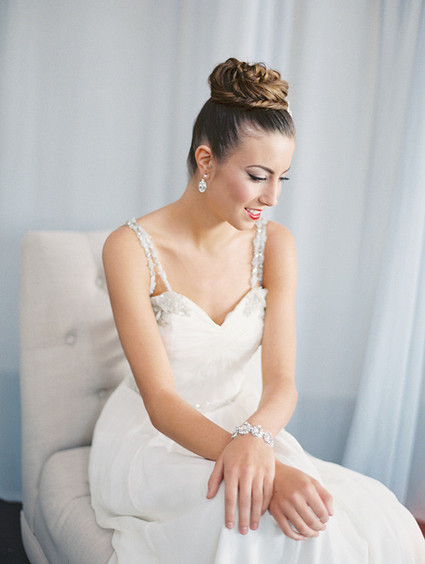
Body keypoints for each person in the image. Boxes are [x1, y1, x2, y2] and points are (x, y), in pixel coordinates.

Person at [89, 58, 425, 563]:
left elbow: (282, 383)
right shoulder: (129, 248)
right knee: (250, 519)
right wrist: (258, 465)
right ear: (206, 161)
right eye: (257, 176)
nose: (272, 197)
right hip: (156, 439)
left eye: (282, 179)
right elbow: (160, 401)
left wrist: (255, 440)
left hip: (250, 424)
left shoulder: (277, 245)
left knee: (355, 521)